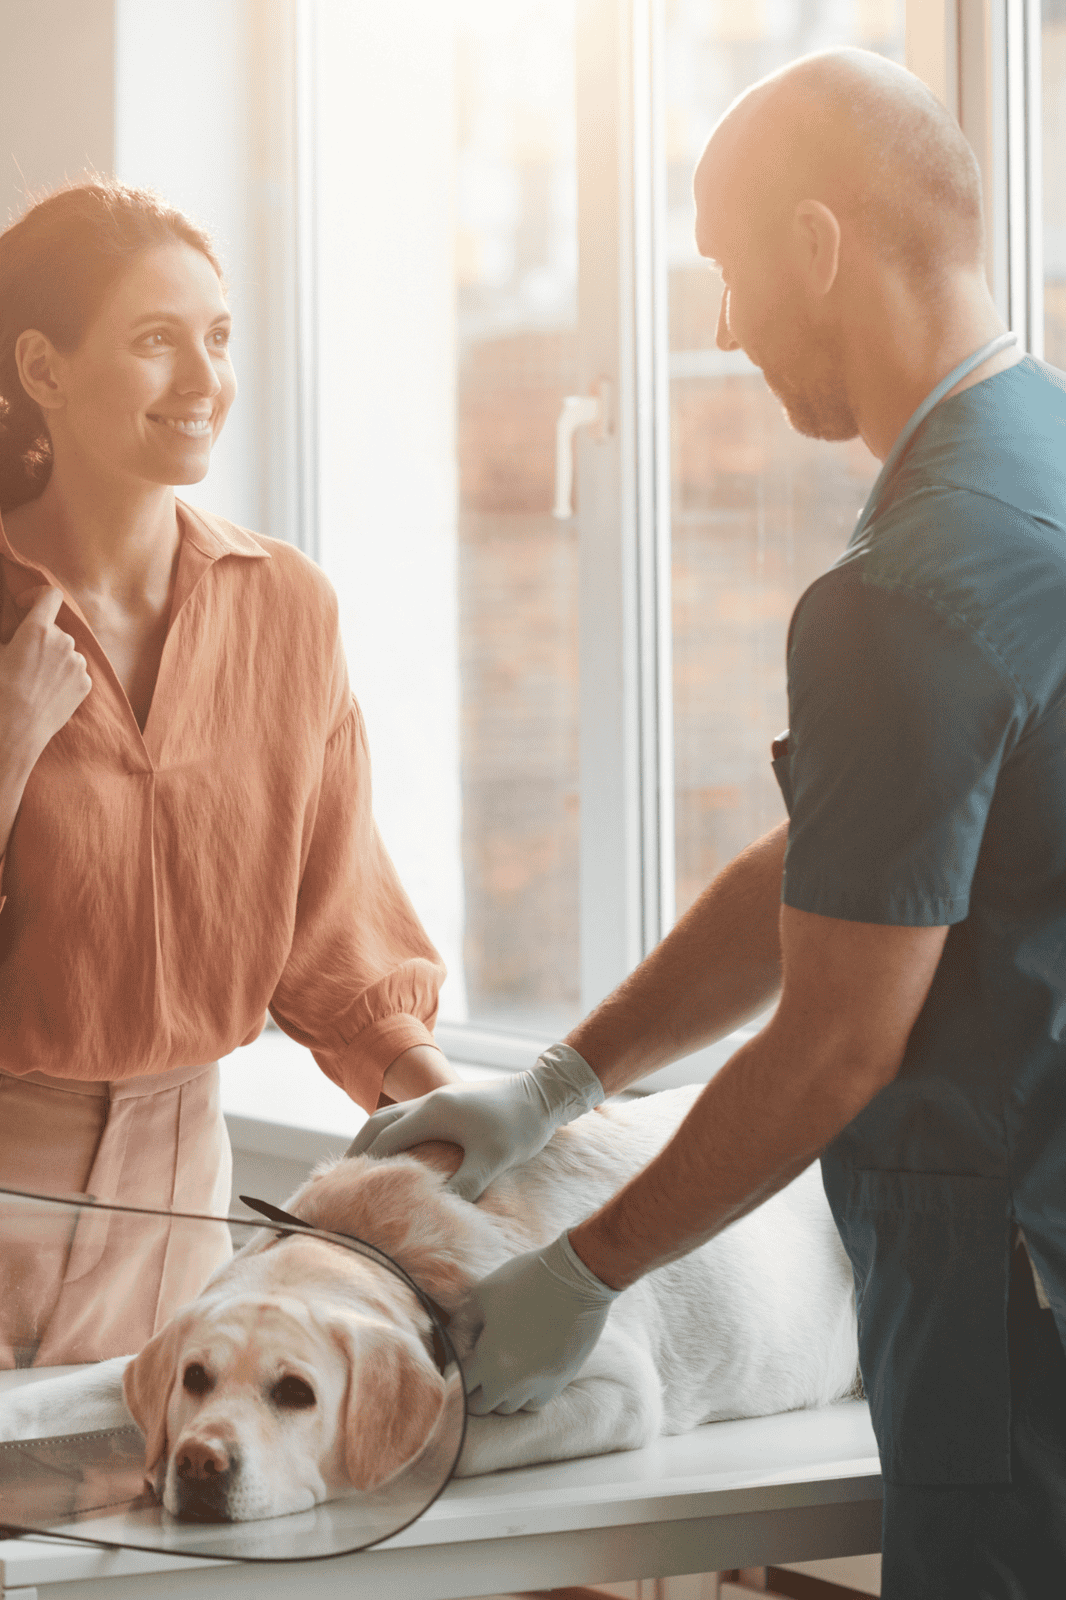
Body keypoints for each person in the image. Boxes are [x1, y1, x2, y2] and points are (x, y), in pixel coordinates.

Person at [349, 49, 1066, 1597]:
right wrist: (554, 1083)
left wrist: (583, 1272)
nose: (725, 331)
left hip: (1008, 1311)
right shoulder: (1039, 470)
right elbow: (846, 865)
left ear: (817, 245)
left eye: (728, 279)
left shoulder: (907, 591)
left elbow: (835, 1039)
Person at [0, 179, 455, 1374]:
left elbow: (334, 938)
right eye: (155, 340)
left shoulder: (289, 607)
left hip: (183, 1176)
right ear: (43, 365)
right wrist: (2, 754)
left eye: (219, 338)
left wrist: (473, 1109)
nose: (204, 381)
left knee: (142, 1548)